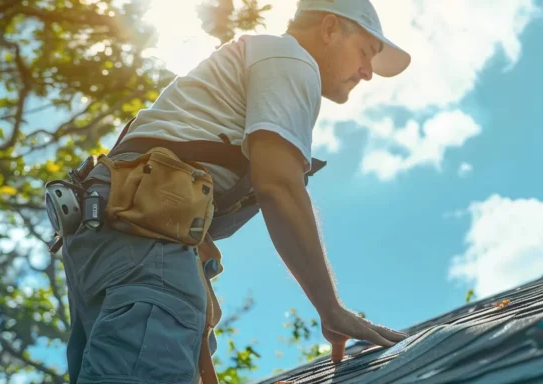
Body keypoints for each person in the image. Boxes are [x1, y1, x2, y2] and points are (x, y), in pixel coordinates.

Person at [57, 1, 411, 383]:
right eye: (365, 52)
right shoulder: (292, 58)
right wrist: (331, 309)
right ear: (329, 29)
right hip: (144, 240)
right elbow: (278, 184)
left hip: (107, 235)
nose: (367, 73)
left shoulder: (256, 56)